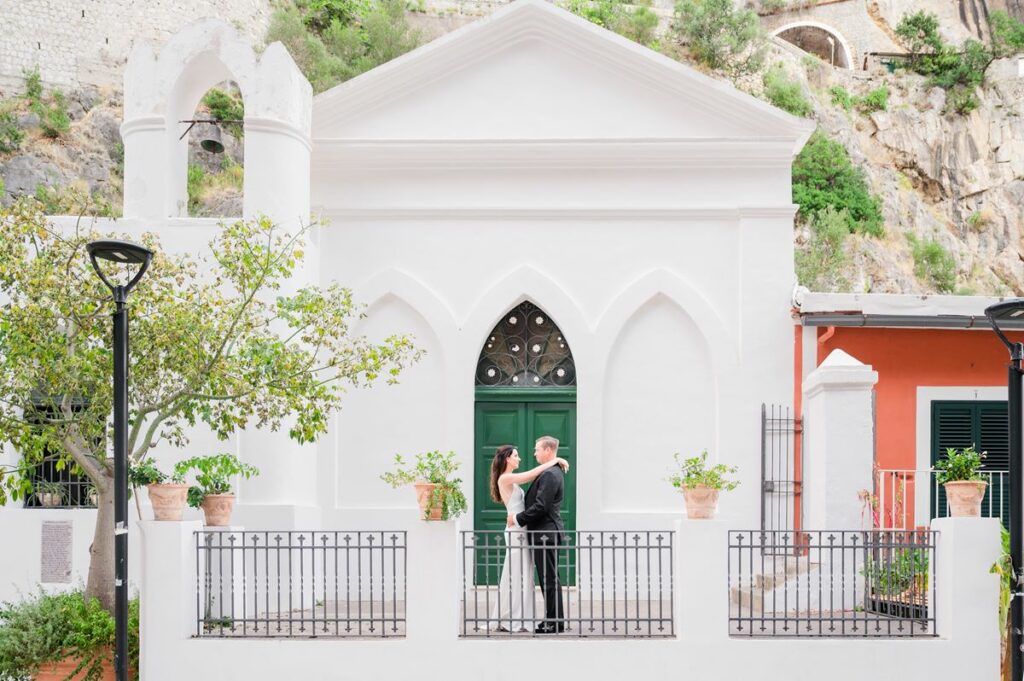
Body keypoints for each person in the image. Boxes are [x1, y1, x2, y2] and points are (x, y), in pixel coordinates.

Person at [488, 444, 569, 633]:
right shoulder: (506, 478)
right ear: (507, 458)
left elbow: (534, 481)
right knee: (517, 574)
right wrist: (555, 460)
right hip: (517, 531)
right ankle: (514, 618)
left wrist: (553, 461)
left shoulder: (516, 479)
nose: (521, 458)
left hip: (525, 529)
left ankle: (528, 617)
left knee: (527, 575)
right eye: (516, 455)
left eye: (536, 450)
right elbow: (532, 474)